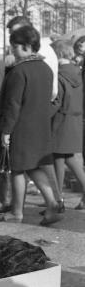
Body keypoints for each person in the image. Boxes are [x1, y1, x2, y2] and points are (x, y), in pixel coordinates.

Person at [0, 25, 61, 225]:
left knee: (17, 169)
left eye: (16, 47)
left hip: (21, 127)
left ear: (28, 46)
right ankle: (52, 203)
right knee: (33, 167)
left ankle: (17, 212)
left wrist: (6, 131)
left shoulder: (19, 71)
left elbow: (13, 104)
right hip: (40, 126)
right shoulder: (46, 69)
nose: (13, 51)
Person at [50, 40, 85, 209]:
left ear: (58, 54)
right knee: (69, 157)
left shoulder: (59, 75)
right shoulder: (78, 72)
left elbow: (56, 101)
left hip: (60, 119)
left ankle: (58, 198)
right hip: (75, 118)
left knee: (57, 156)